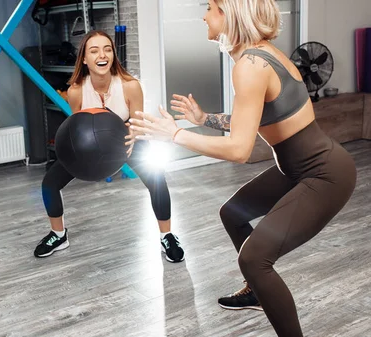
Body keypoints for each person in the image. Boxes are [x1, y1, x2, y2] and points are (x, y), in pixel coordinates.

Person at [127, 1, 357, 336]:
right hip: (298, 169)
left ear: (230, 13)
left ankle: (263, 290)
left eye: (210, 7)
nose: (204, 15)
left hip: (324, 175)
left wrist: (175, 134)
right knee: (233, 212)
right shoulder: (260, 54)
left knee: (254, 258)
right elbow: (253, 118)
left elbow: (239, 149)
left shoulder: (250, 65)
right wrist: (204, 120)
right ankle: (256, 291)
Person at [34, 30, 184, 264]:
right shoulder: (75, 91)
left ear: (113, 55)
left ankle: (167, 236)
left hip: (126, 141)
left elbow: (137, 122)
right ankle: (59, 235)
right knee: (49, 183)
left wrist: (132, 134)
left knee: (157, 179)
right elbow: (78, 128)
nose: (102, 55)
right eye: (94, 51)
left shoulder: (130, 86)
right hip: (96, 148)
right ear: (84, 59)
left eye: (107, 49)